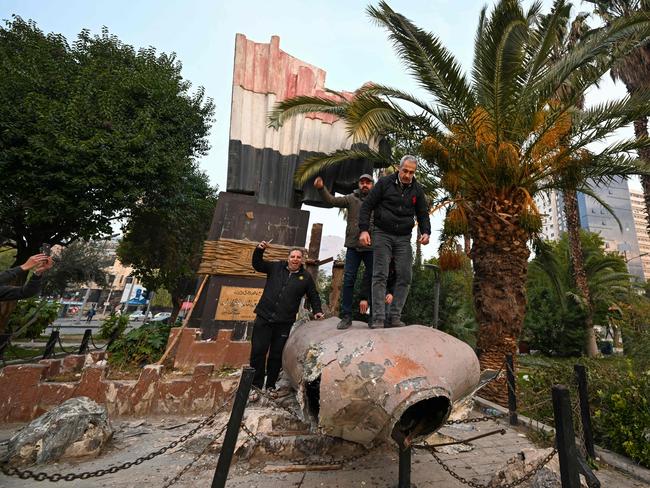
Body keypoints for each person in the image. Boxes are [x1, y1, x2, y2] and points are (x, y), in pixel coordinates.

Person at [359, 155, 431, 328]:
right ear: (399, 168)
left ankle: (394, 317)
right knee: (380, 274)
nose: (407, 175)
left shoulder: (417, 190)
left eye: (411, 172)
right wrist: (363, 230)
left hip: (403, 237)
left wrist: (426, 232)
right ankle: (378, 318)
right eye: (405, 171)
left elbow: (422, 213)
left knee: (405, 275)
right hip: (382, 233)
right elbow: (367, 206)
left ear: (414, 173)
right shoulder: (384, 183)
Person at [250, 241, 324, 398]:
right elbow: (257, 264)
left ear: (302, 260)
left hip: (284, 322)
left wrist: (317, 311)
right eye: (293, 256)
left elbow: (313, 295)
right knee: (258, 351)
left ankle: (270, 385)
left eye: (298, 257)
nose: (295, 259)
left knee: (276, 355)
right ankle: (255, 386)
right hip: (264, 317)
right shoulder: (275, 267)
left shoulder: (305, 277)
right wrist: (259, 250)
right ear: (288, 258)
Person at [314, 173, 374, 329]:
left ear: (372, 185)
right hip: (353, 246)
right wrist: (321, 189)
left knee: (374, 280)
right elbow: (332, 201)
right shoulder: (351, 198)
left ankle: (373, 317)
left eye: (368, 182)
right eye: (362, 182)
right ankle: (346, 316)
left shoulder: (377, 200)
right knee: (348, 281)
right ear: (359, 184)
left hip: (371, 246)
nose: (365, 185)